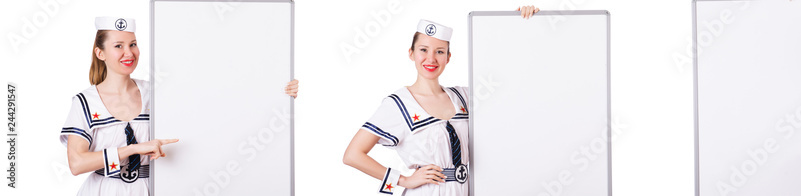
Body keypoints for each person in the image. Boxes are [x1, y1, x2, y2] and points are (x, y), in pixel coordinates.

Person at [60, 17, 299, 196]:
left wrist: (277, 91)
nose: (129, 52)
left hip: (154, 187)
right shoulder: (85, 102)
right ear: (100, 53)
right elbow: (77, 164)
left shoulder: (157, 92)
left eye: (133, 44)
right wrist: (132, 149)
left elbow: (218, 99)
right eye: (118, 46)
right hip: (104, 189)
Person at [343, 6, 539, 195]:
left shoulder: (465, 96)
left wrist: (519, 26)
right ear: (411, 53)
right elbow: (352, 155)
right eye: (423, 50)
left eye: (439, 51)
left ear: (448, 57)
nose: (431, 59)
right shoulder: (398, 104)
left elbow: (513, 88)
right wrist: (404, 180)